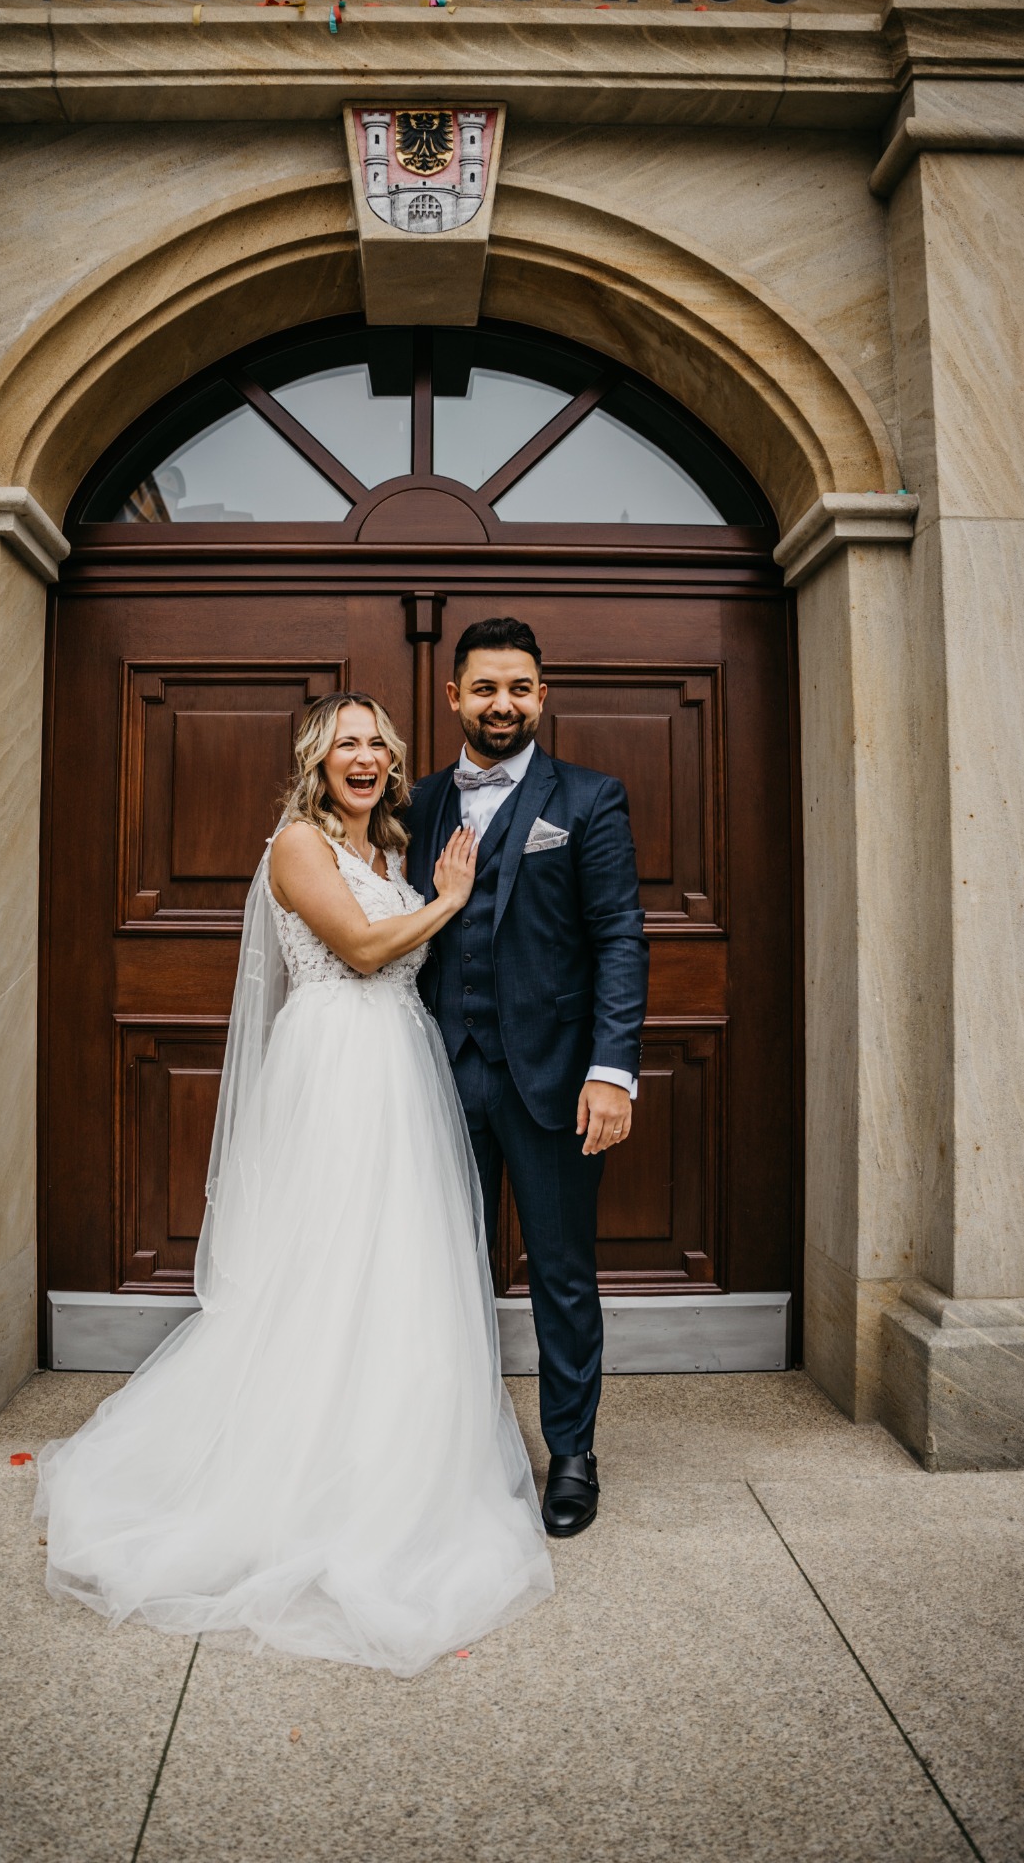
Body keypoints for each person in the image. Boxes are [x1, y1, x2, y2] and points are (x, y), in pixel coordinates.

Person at [35, 692, 553, 1677]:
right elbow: (360, 951)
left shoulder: (387, 849)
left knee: (395, 1265)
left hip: (400, 1063)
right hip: (337, 1064)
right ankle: (290, 1470)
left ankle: (390, 1461)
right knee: (328, 1260)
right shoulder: (298, 846)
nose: (363, 757)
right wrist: (449, 899)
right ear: (316, 760)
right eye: (343, 744)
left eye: (376, 744)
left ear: (392, 762)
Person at [406, 618, 649, 1538]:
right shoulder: (418, 802)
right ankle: (450, 1448)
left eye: (518, 688)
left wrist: (611, 1071)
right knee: (437, 1269)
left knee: (560, 1272)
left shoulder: (587, 799)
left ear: (541, 696)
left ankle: (571, 1454)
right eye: (484, 688)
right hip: (437, 1074)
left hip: (550, 1078)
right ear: (453, 697)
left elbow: (619, 937)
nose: (501, 704)